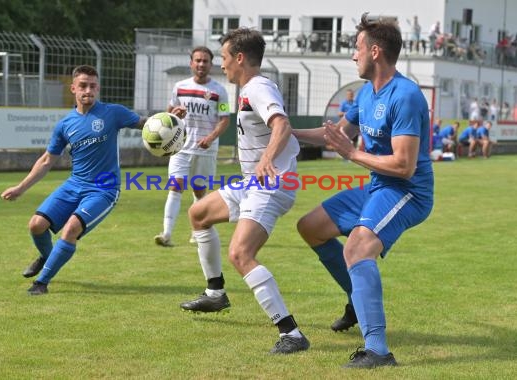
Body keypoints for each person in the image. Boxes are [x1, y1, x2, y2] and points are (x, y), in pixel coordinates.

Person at [293, 13, 433, 368]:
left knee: (357, 247)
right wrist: (284, 131)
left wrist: (353, 153)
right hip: (377, 185)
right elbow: (336, 134)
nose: (352, 55)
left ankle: (378, 351)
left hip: (407, 191)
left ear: (374, 52)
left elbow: (404, 165)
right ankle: (358, 300)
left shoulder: (406, 96)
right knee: (310, 227)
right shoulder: (366, 95)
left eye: (356, 48)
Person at [179, 27, 309, 354]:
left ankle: (291, 333)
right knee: (199, 213)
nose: (220, 65)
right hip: (254, 182)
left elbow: (281, 124)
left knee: (240, 254)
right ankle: (215, 294)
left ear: (239, 58)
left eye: (223, 58)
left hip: (271, 184)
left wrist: (266, 160)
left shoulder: (258, 88)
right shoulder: (248, 89)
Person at [1, 64, 185, 295]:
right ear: (73, 89)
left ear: (98, 88)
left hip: (104, 189)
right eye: (83, 86)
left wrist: (169, 119)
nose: (88, 90)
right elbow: (47, 160)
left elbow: (146, 124)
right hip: (74, 184)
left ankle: (41, 283)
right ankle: (49, 257)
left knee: (71, 229)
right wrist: (20, 188)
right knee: (36, 225)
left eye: (93, 86)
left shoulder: (112, 113)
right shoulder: (65, 125)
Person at [154, 46, 230, 247]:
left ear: (211, 65)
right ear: (191, 63)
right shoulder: (179, 87)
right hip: (181, 147)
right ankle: (166, 234)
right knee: (175, 187)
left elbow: (225, 119)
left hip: (206, 150)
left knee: (199, 191)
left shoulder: (219, 91)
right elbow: (167, 115)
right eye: (198, 60)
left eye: (205, 61)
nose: (201, 64)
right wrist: (174, 116)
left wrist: (211, 137)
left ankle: (196, 233)